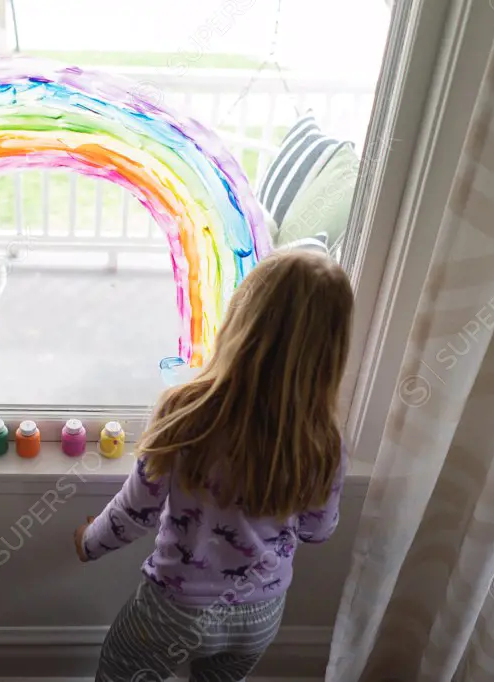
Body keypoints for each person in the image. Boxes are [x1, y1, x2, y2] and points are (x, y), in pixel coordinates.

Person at [74, 250, 353, 682]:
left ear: (241, 319)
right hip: (259, 615)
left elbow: (138, 510)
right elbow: (319, 531)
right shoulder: (324, 441)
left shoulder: (187, 411)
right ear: (332, 349)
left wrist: (90, 541)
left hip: (174, 610)